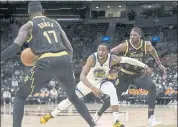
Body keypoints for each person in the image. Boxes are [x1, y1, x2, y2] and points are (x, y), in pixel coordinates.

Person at [1, 2, 97, 127]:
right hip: (65, 60)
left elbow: (15, 47)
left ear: (29, 14)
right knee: (73, 97)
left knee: (20, 96)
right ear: (43, 11)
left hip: (46, 61)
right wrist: (66, 64)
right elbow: (70, 48)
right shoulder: (55, 23)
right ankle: (93, 125)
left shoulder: (28, 25)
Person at [40, 43, 152, 127]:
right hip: (87, 82)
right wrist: (92, 88)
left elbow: (129, 60)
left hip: (101, 82)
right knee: (70, 100)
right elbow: (83, 76)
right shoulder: (92, 58)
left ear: (108, 52)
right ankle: (51, 115)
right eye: (99, 50)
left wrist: (144, 65)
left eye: (103, 50)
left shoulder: (113, 59)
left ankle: (116, 122)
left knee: (113, 91)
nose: (101, 52)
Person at [93, 27, 166, 126]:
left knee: (152, 86)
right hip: (124, 74)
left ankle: (151, 118)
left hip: (139, 74)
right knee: (114, 96)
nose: (132, 37)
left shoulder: (146, 45)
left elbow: (153, 52)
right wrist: (108, 65)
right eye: (131, 35)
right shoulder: (125, 45)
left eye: (134, 35)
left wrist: (159, 64)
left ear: (140, 36)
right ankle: (97, 115)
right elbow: (110, 52)